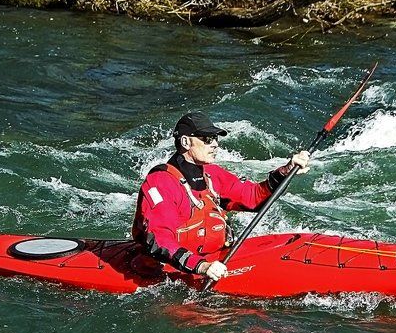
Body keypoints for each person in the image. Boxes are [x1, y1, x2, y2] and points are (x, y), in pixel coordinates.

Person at [132, 112, 310, 281]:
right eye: (207, 139)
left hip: (213, 260)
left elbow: (252, 198)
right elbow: (160, 239)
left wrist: (284, 172)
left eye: (215, 138)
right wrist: (201, 266)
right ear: (186, 142)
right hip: (168, 270)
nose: (215, 144)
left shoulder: (212, 174)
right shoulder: (161, 182)